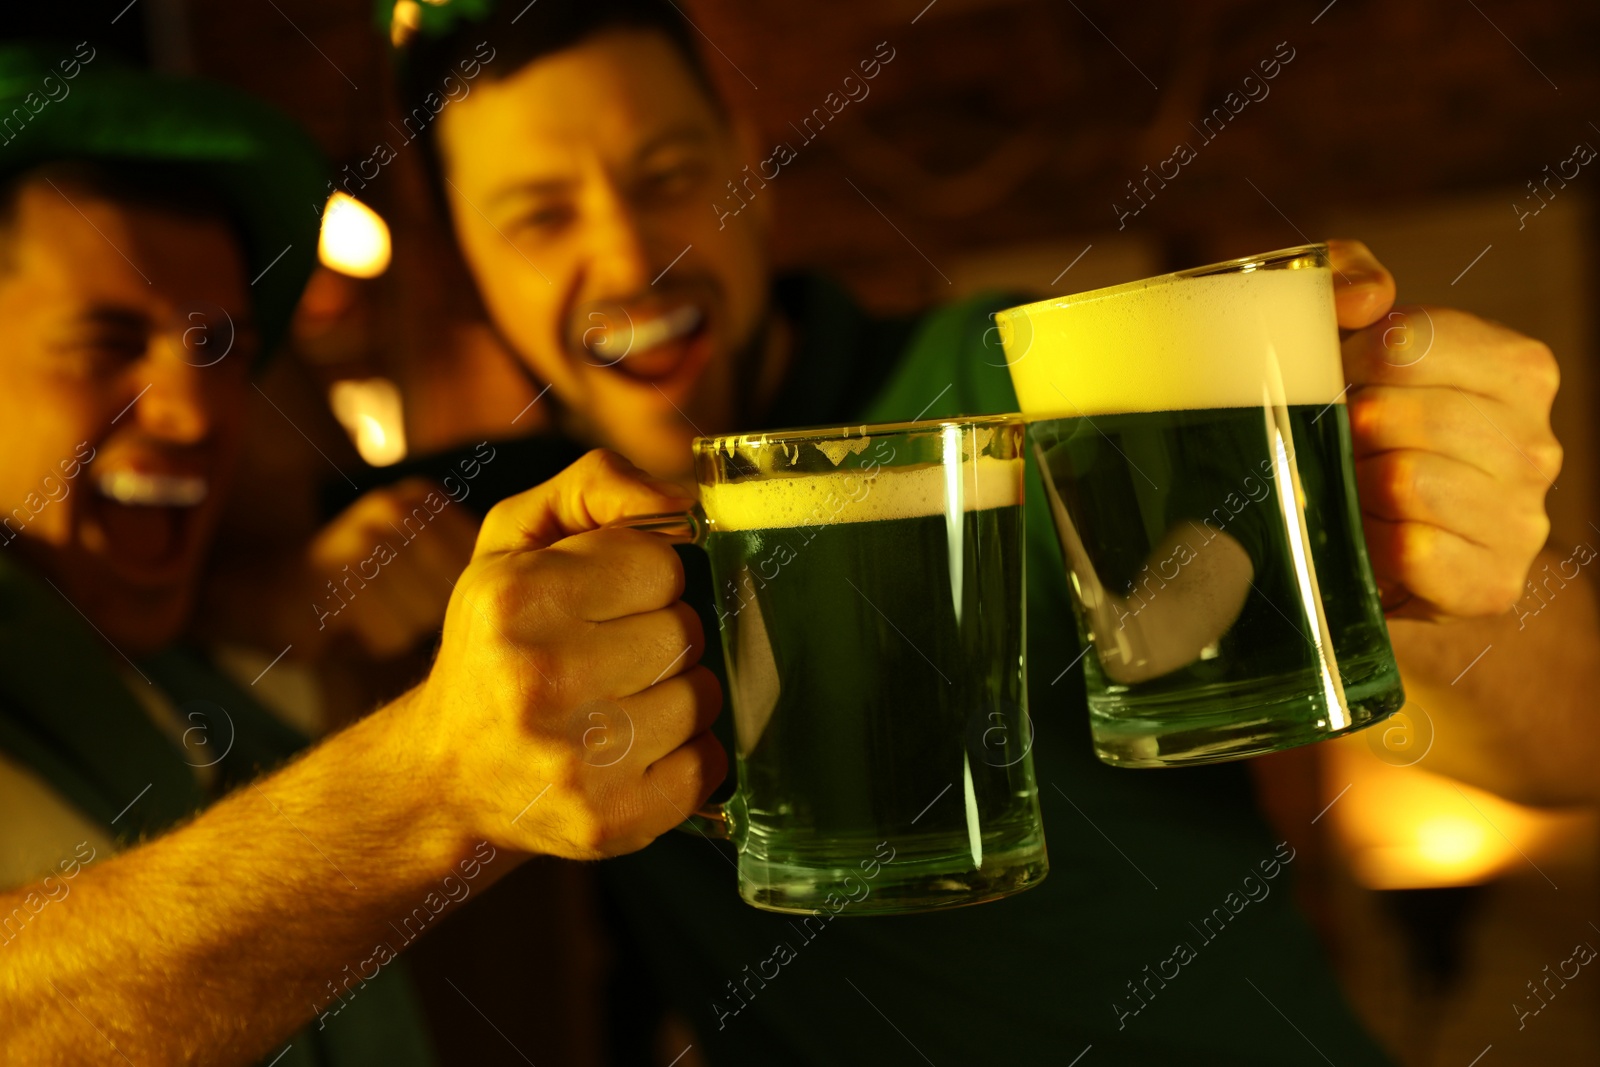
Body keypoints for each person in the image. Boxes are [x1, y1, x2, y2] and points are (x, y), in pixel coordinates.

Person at [388, 1, 1600, 1062]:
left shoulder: (1000, 385)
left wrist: (1407, 550)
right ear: (466, 262)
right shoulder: (501, 533)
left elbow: (1575, 735)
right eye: (541, 216)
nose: (627, 257)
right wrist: (301, 586)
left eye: (665, 176)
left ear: (747, 169)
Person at [0, 43, 723, 1066]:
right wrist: (431, 778)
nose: (195, 408)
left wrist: (265, 592)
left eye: (225, 350)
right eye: (106, 340)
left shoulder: (227, 633)